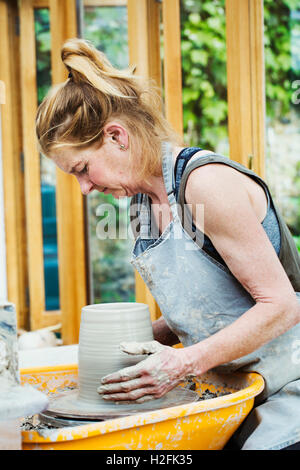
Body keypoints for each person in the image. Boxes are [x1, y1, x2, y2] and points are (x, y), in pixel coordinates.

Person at [36, 38, 300, 450]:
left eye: (83, 169)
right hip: (228, 390)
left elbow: (281, 305)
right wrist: (132, 343)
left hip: (288, 388)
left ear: (117, 136)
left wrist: (182, 361)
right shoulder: (143, 202)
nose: (85, 188)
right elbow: (208, 311)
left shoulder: (203, 185)